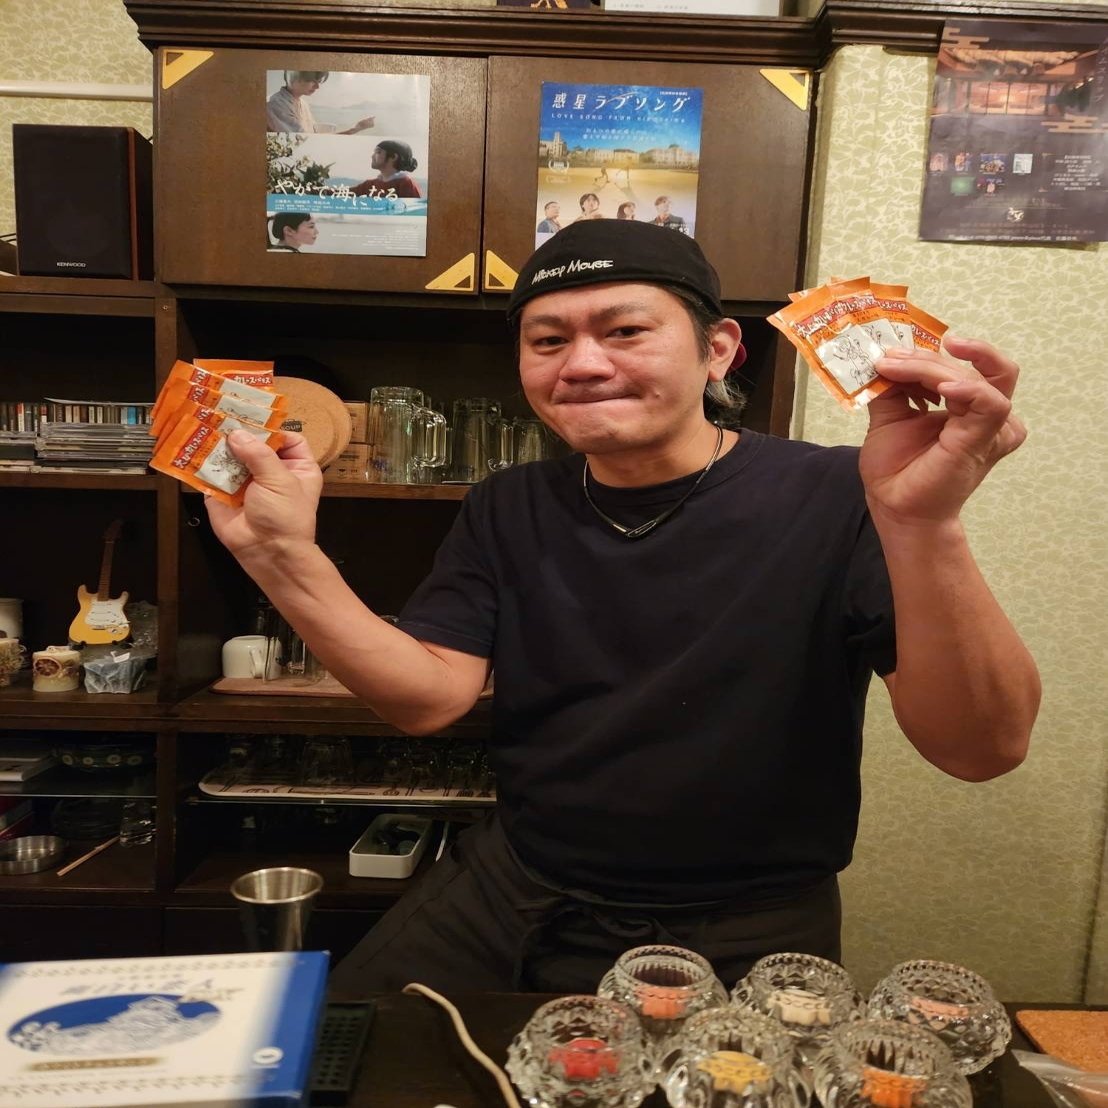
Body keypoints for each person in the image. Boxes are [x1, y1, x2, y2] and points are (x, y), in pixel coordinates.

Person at [207, 220, 1039, 995]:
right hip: (516, 886)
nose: (582, 363)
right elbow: (428, 698)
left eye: (626, 330)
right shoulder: (508, 503)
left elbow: (984, 748)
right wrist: (281, 556)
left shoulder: (836, 493)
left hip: (747, 919)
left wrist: (923, 524)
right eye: (548, 340)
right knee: (342, 1052)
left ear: (719, 350)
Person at [266, 71, 375, 135]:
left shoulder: (303, 104)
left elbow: (314, 134)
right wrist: (354, 129)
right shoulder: (276, 104)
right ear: (293, 78)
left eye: (318, 82)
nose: (317, 87)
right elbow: (306, 141)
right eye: (312, 81)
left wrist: (357, 127)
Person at [351, 140, 422, 199]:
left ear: (394, 157)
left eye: (378, 152)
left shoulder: (406, 184)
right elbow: (347, 193)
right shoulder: (369, 185)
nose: (372, 156)